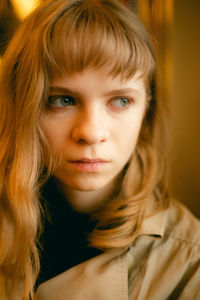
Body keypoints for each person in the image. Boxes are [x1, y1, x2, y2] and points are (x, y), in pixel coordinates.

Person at [0, 0, 199, 299]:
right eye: (62, 100)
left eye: (120, 101)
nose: (92, 133)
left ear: (148, 108)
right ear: (21, 105)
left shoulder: (189, 260)